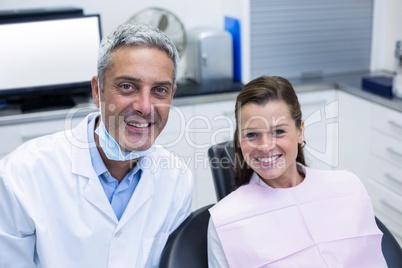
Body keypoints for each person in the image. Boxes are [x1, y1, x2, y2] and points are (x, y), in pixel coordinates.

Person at [0, 23, 193, 267]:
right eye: (127, 87)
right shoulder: (20, 175)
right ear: (97, 90)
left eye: (159, 90)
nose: (145, 106)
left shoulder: (177, 179)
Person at [207, 76, 386, 267]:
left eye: (278, 131)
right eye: (252, 135)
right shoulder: (225, 220)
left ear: (300, 131)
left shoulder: (346, 188)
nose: (266, 146)